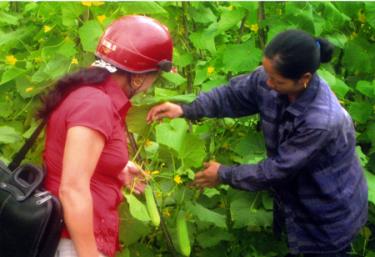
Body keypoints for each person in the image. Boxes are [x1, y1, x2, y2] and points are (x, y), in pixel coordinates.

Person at [147, 30, 368, 257]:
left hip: (327, 213)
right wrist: (185, 108)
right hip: (295, 202)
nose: (268, 83)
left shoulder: (322, 120)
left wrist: (223, 174)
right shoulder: (269, 78)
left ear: (304, 79)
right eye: (267, 73)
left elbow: (278, 170)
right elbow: (231, 95)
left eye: (277, 80)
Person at [38, 15, 173, 257]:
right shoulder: (95, 104)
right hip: (74, 244)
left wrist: (117, 168)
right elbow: (72, 189)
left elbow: (73, 159)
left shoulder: (92, 95)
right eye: (153, 79)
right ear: (138, 77)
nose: (147, 89)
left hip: (73, 239)